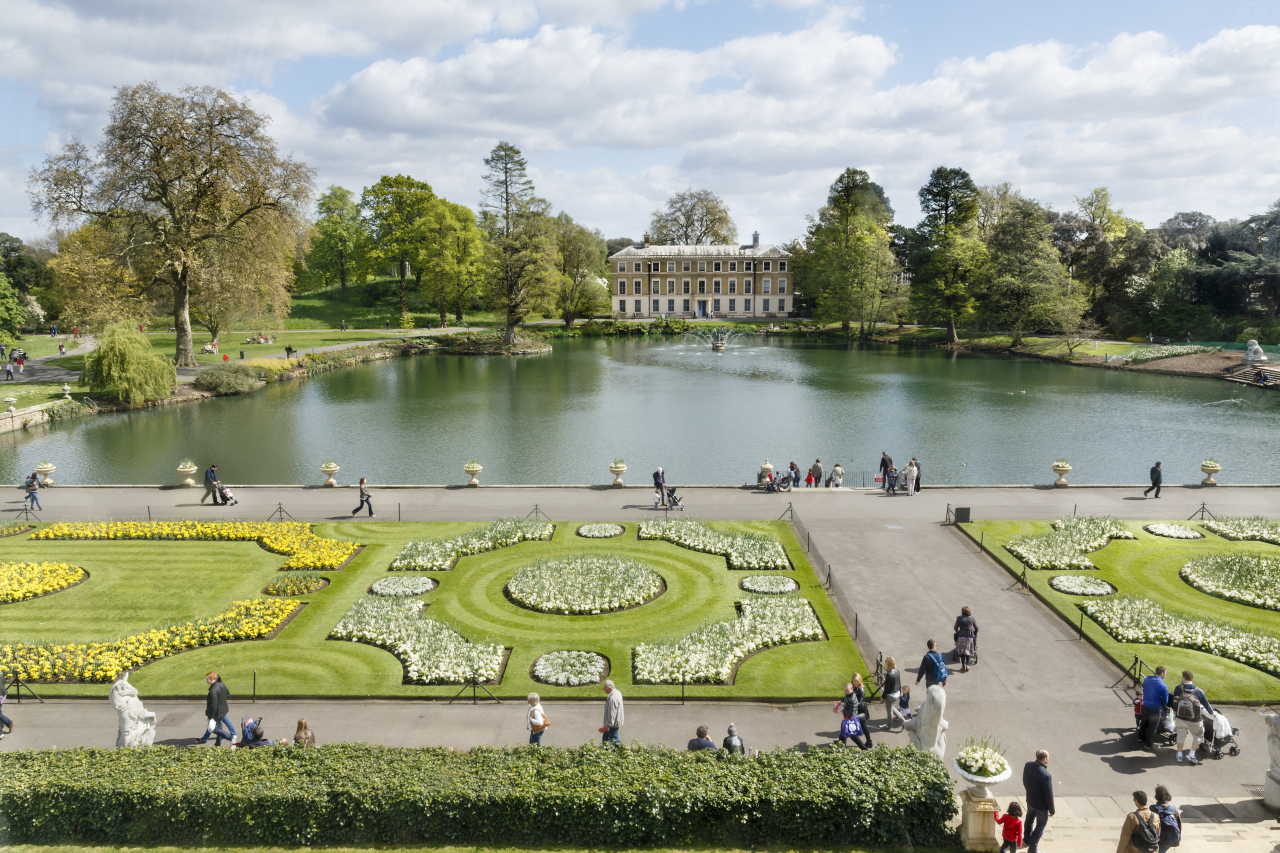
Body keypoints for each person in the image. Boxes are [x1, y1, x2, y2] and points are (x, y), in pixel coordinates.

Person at [1171, 670, 1214, 764]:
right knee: (1198, 735)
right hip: (1195, 720)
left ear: (1184, 678)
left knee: (1181, 736)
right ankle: (1192, 754)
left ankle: (1179, 755)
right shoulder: (1198, 691)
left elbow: (1174, 699)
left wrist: (1181, 684)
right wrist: (1213, 713)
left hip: (1180, 718)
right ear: (1192, 678)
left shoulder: (1178, 688)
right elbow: (1207, 705)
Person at [1022, 750, 1054, 853]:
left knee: (1029, 820)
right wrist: (1052, 810)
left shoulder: (1028, 765)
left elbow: (1024, 780)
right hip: (1041, 807)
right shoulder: (1046, 775)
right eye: (1048, 757)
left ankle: (1026, 840)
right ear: (1045, 759)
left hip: (1030, 800)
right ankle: (1032, 849)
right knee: (1040, 827)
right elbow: (1049, 795)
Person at [197, 672, 235, 746]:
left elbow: (213, 705)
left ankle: (231, 737)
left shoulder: (213, 690)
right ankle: (217, 744)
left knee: (213, 729)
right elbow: (228, 694)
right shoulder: (222, 684)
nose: (206, 681)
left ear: (212, 679)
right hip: (222, 710)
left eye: (207, 679)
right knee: (219, 726)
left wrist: (210, 717)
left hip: (217, 712)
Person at [833, 679, 872, 749]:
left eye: (847, 691)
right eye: (845, 690)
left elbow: (851, 713)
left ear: (851, 689)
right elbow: (845, 697)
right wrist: (841, 701)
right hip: (848, 718)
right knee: (843, 731)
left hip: (850, 718)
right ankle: (840, 744)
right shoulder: (850, 694)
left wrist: (842, 710)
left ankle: (864, 748)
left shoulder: (852, 700)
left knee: (853, 736)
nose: (846, 692)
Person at [1141, 666, 1169, 748]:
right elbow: (1165, 701)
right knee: (1152, 726)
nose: (1165, 675)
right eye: (1165, 674)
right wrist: (1162, 704)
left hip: (1145, 705)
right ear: (1162, 673)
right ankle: (1149, 744)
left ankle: (1140, 737)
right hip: (1155, 708)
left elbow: (1144, 690)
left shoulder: (1146, 679)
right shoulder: (1163, 685)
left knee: (1144, 722)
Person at [1151, 785, 1181, 853]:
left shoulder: (1152, 809)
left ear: (1156, 796)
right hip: (1170, 839)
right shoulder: (1174, 810)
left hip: (1156, 839)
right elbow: (1178, 826)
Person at [878, 656, 902, 730]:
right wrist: (900, 692)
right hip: (897, 693)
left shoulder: (888, 675)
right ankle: (903, 721)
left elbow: (887, 689)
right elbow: (899, 683)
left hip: (891, 695)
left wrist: (883, 697)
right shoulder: (897, 671)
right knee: (892, 708)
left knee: (889, 710)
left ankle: (889, 725)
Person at [954, 606, 978, 672]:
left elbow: (955, 627)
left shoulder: (959, 618)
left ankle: (963, 666)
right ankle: (967, 664)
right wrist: (975, 634)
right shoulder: (972, 618)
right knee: (968, 651)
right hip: (969, 637)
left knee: (962, 652)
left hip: (961, 636)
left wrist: (957, 631)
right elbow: (977, 628)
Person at [600, 679, 623, 744]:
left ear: (610, 688)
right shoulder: (617, 692)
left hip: (612, 724)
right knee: (606, 739)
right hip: (612, 723)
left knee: (614, 740)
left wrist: (608, 725)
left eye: (604, 688)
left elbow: (612, 713)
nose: (603, 689)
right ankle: (606, 751)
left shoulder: (612, 698)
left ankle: (625, 750)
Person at [0, 668, 13, 739]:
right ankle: (1, 726)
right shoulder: (0, 673)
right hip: (3, 694)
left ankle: (9, 723)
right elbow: (4, 681)